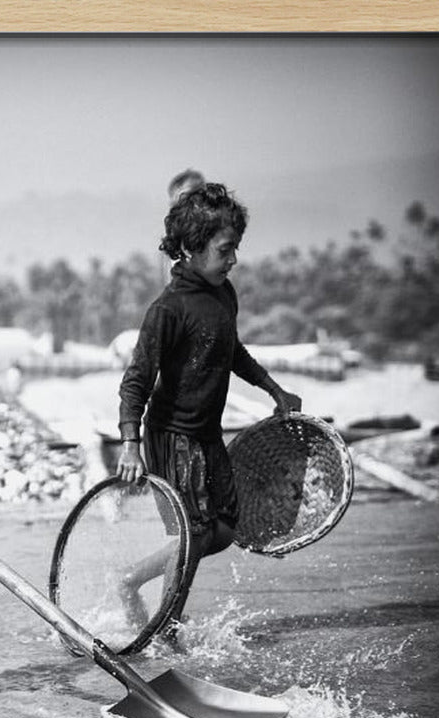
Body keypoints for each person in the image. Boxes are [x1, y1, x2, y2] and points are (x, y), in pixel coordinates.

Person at [116, 181, 302, 639]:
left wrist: (274, 390)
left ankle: (136, 584)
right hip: (171, 436)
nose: (233, 259)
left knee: (223, 530)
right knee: (192, 537)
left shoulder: (224, 295)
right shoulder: (168, 309)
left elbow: (231, 351)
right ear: (191, 249)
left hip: (207, 436)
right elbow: (136, 379)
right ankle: (164, 628)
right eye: (225, 249)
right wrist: (129, 444)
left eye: (235, 248)